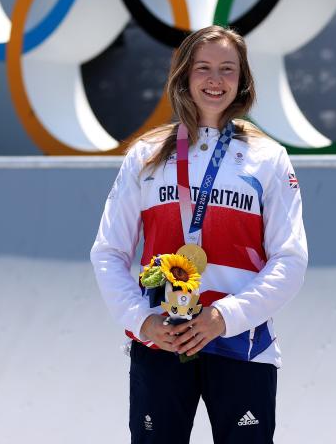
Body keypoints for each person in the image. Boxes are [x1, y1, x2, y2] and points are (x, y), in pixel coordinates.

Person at [90, 25, 308, 443]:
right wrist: (142, 321)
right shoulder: (147, 154)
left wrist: (223, 317)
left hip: (242, 344)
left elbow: (290, 259)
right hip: (162, 342)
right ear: (184, 76)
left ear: (242, 80)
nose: (215, 80)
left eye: (228, 69)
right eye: (203, 68)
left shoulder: (268, 157)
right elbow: (109, 251)